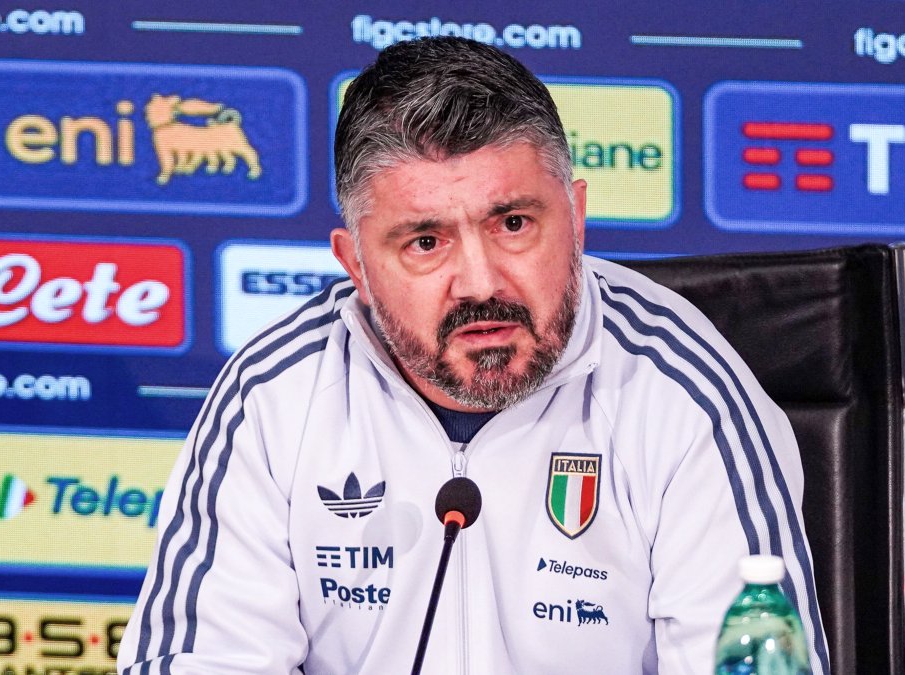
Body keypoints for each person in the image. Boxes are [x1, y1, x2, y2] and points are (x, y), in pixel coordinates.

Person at [119, 37, 830, 675]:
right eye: (426, 242)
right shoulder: (274, 397)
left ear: (577, 218)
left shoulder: (682, 393)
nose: (481, 282)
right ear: (356, 264)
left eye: (513, 223)